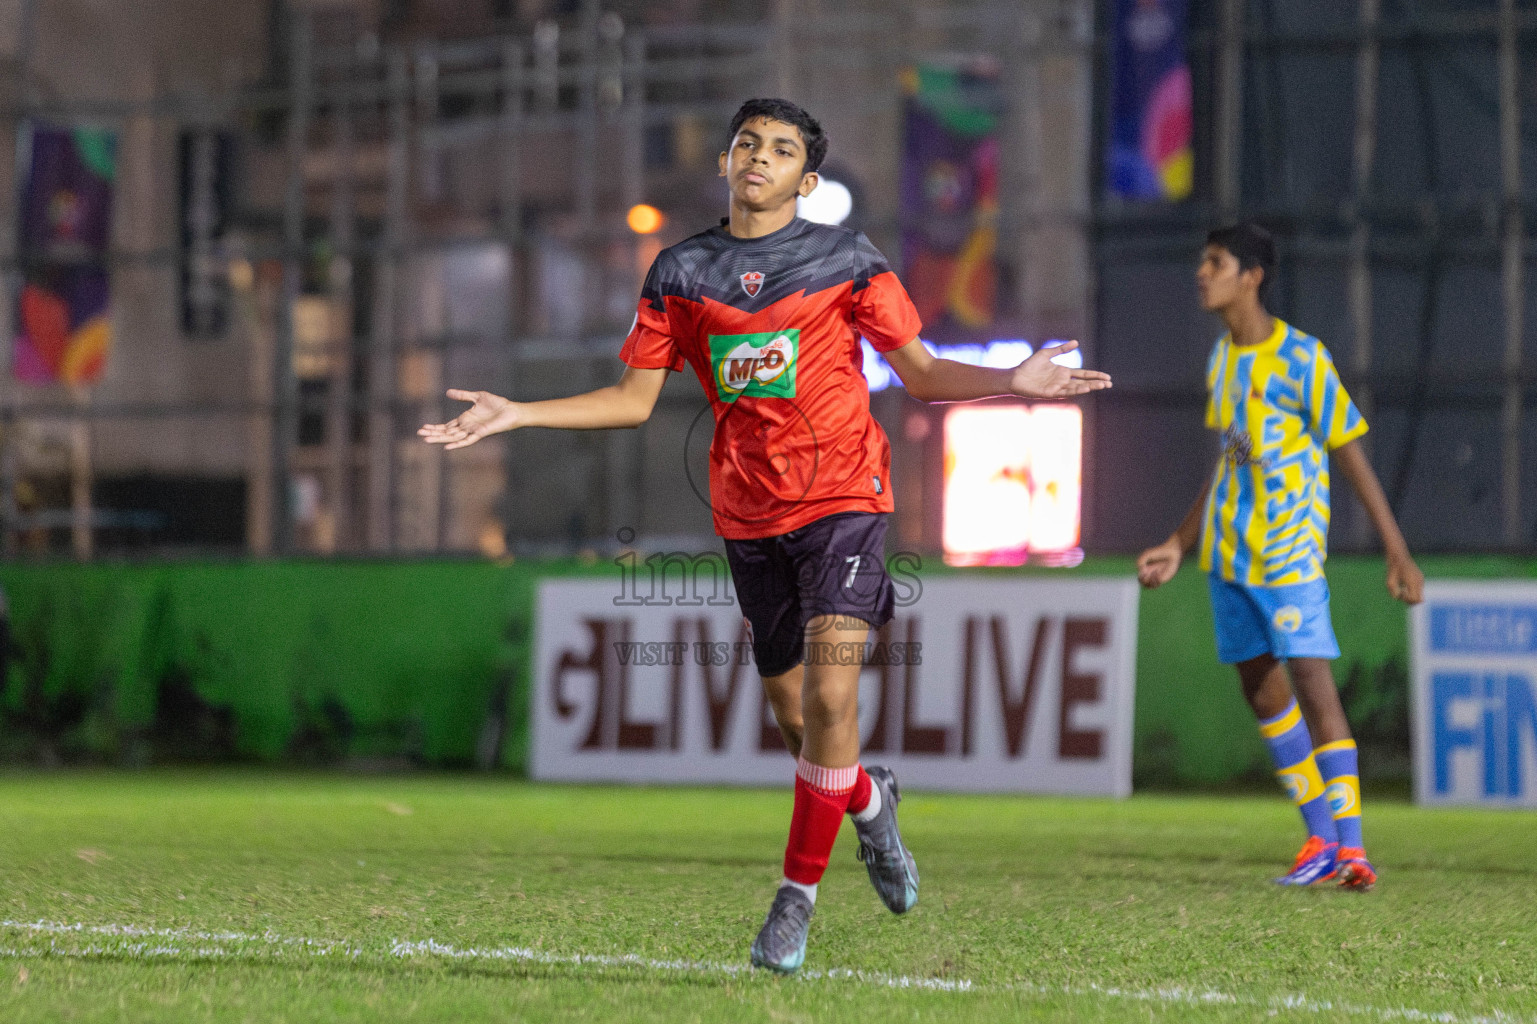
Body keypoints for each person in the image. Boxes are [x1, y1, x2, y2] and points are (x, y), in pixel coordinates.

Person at [420, 97, 1111, 971]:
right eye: (747, 143)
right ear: (724, 162)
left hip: (846, 500)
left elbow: (923, 370)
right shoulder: (681, 271)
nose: (758, 157)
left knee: (829, 702)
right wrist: (517, 412)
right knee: (797, 721)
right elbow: (632, 403)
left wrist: (1017, 377)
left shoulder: (846, 260)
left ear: (805, 180)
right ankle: (868, 803)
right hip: (748, 515)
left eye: (781, 150)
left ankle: (794, 903)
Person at [1136, 222, 1423, 891]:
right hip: (1228, 560)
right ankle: (1319, 838)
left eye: (1214, 262)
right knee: (1260, 691)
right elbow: (1229, 465)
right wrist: (1179, 544)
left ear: (1251, 275)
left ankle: (1352, 850)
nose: (1200, 273)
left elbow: (1348, 455)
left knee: (1314, 689)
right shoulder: (1224, 362)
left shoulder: (1302, 359)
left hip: (1288, 559)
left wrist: (1395, 549)